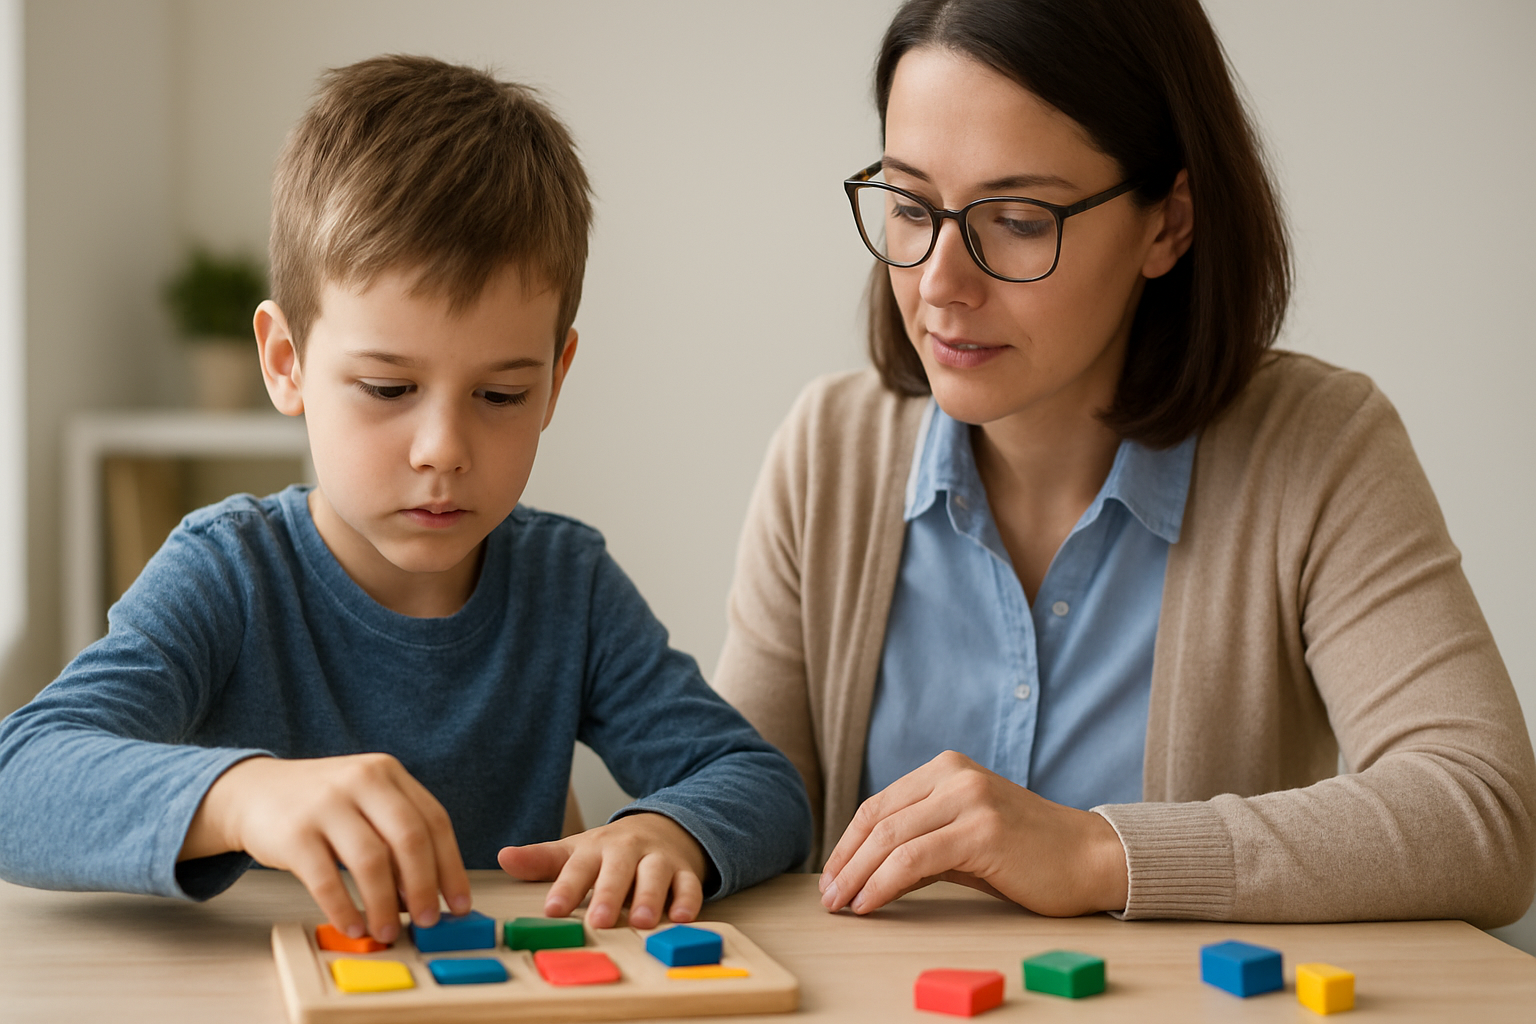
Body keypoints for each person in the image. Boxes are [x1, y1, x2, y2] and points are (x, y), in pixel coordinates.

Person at [713, 0, 1535, 927]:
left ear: (1167, 224)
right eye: (909, 207)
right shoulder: (830, 449)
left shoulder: (1318, 447)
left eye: (1017, 220)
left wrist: (1098, 852)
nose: (941, 281)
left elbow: (1484, 815)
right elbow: (742, 798)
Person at [0, 55, 811, 944]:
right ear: (287, 363)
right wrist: (243, 795)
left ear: (555, 379)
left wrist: (670, 830)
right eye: (387, 389)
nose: (444, 451)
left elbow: (759, 782)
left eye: (500, 396)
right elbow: (19, 779)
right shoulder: (229, 572)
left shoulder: (566, 584)